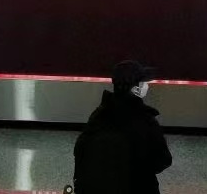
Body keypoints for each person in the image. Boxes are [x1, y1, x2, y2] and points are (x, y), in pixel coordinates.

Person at [74, 60, 173, 194]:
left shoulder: (99, 115)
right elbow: (162, 161)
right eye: (143, 82)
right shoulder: (145, 120)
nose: (146, 86)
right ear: (135, 89)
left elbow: (80, 152)